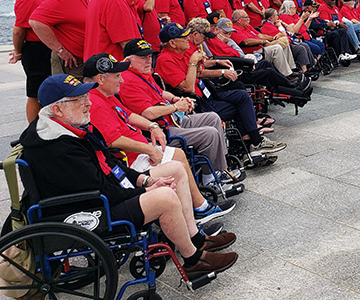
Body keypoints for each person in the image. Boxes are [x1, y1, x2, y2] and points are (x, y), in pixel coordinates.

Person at [20, 74, 238, 276]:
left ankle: (195, 237)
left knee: (176, 170)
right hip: (91, 210)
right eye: (80, 99)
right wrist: (144, 191)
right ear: (57, 109)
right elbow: (100, 189)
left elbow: (111, 163)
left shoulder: (73, 127)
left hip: (104, 192)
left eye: (86, 96)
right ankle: (193, 260)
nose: (88, 103)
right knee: (165, 197)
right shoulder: (60, 148)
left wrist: (145, 179)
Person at [82, 52, 236, 221]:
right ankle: (200, 208)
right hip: (131, 160)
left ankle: (201, 204)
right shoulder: (95, 102)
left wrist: (152, 126)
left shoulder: (106, 95)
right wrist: (149, 148)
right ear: (101, 79)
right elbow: (113, 140)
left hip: (150, 139)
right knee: (179, 161)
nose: (121, 80)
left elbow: (128, 115)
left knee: (193, 141)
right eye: (117, 76)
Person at [120, 39, 238, 189]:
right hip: (160, 130)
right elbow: (147, 113)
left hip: (171, 120)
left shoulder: (142, 73)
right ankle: (210, 178)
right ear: (128, 60)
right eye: (143, 58)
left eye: (149, 57)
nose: (148, 61)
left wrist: (175, 98)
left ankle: (220, 167)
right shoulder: (128, 81)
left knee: (213, 117)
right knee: (210, 133)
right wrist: (176, 107)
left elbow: (160, 92)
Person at [155, 22, 286, 155]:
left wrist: (217, 69)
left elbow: (197, 73)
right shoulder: (165, 60)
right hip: (198, 103)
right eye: (183, 38)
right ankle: (254, 143)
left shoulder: (180, 54)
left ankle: (252, 143)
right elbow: (188, 88)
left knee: (241, 95)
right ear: (172, 43)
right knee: (240, 104)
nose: (187, 39)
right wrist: (194, 62)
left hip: (207, 94)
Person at [30, 0, 95, 78]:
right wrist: (59, 50)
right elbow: (36, 22)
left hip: (85, 58)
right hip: (72, 63)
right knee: (73, 96)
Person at [10, 0, 53, 121]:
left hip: (44, 47)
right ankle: (32, 128)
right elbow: (19, 30)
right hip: (35, 49)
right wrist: (18, 51)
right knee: (35, 91)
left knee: (44, 87)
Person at [230, 9, 297, 75]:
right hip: (252, 52)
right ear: (238, 20)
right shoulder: (234, 29)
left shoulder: (247, 26)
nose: (248, 19)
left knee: (284, 43)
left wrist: (273, 38)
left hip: (261, 47)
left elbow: (260, 35)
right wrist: (263, 41)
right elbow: (246, 42)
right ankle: (285, 74)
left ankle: (290, 69)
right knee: (277, 48)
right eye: (246, 17)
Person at [260, 8, 316, 72]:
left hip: (289, 41)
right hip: (283, 45)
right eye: (276, 15)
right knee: (301, 48)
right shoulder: (267, 26)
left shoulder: (276, 23)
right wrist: (279, 26)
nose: (278, 16)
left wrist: (284, 24)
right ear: (271, 18)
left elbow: (291, 32)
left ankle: (310, 67)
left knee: (305, 45)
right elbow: (284, 35)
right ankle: (304, 70)